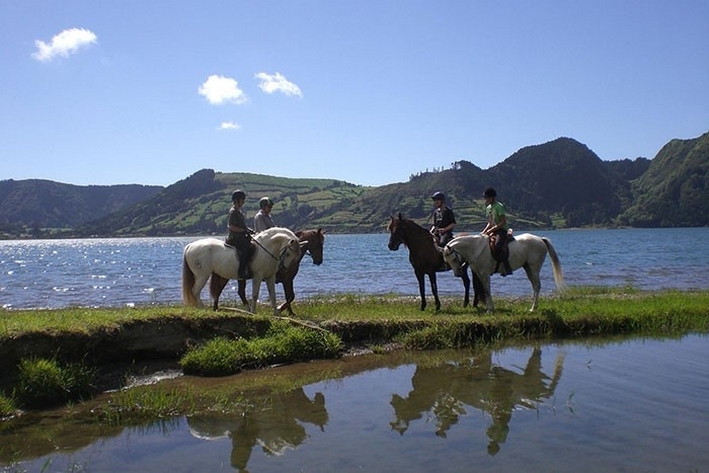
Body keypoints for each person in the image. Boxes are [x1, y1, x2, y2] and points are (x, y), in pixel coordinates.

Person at [481, 187, 513, 276]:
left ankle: (507, 267)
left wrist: (491, 230)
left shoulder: (499, 206)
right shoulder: (488, 208)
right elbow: (490, 222)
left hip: (502, 230)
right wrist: (483, 232)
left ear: (492, 197)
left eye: (487, 197)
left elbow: (503, 222)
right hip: (494, 230)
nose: (486, 199)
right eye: (485, 198)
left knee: (498, 245)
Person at [226, 189, 254, 279]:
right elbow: (231, 227)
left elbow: (242, 226)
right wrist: (243, 231)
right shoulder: (233, 211)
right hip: (234, 237)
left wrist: (249, 230)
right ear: (237, 200)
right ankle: (241, 271)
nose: (243, 202)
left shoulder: (239, 212)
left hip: (241, 236)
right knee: (246, 248)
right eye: (242, 200)